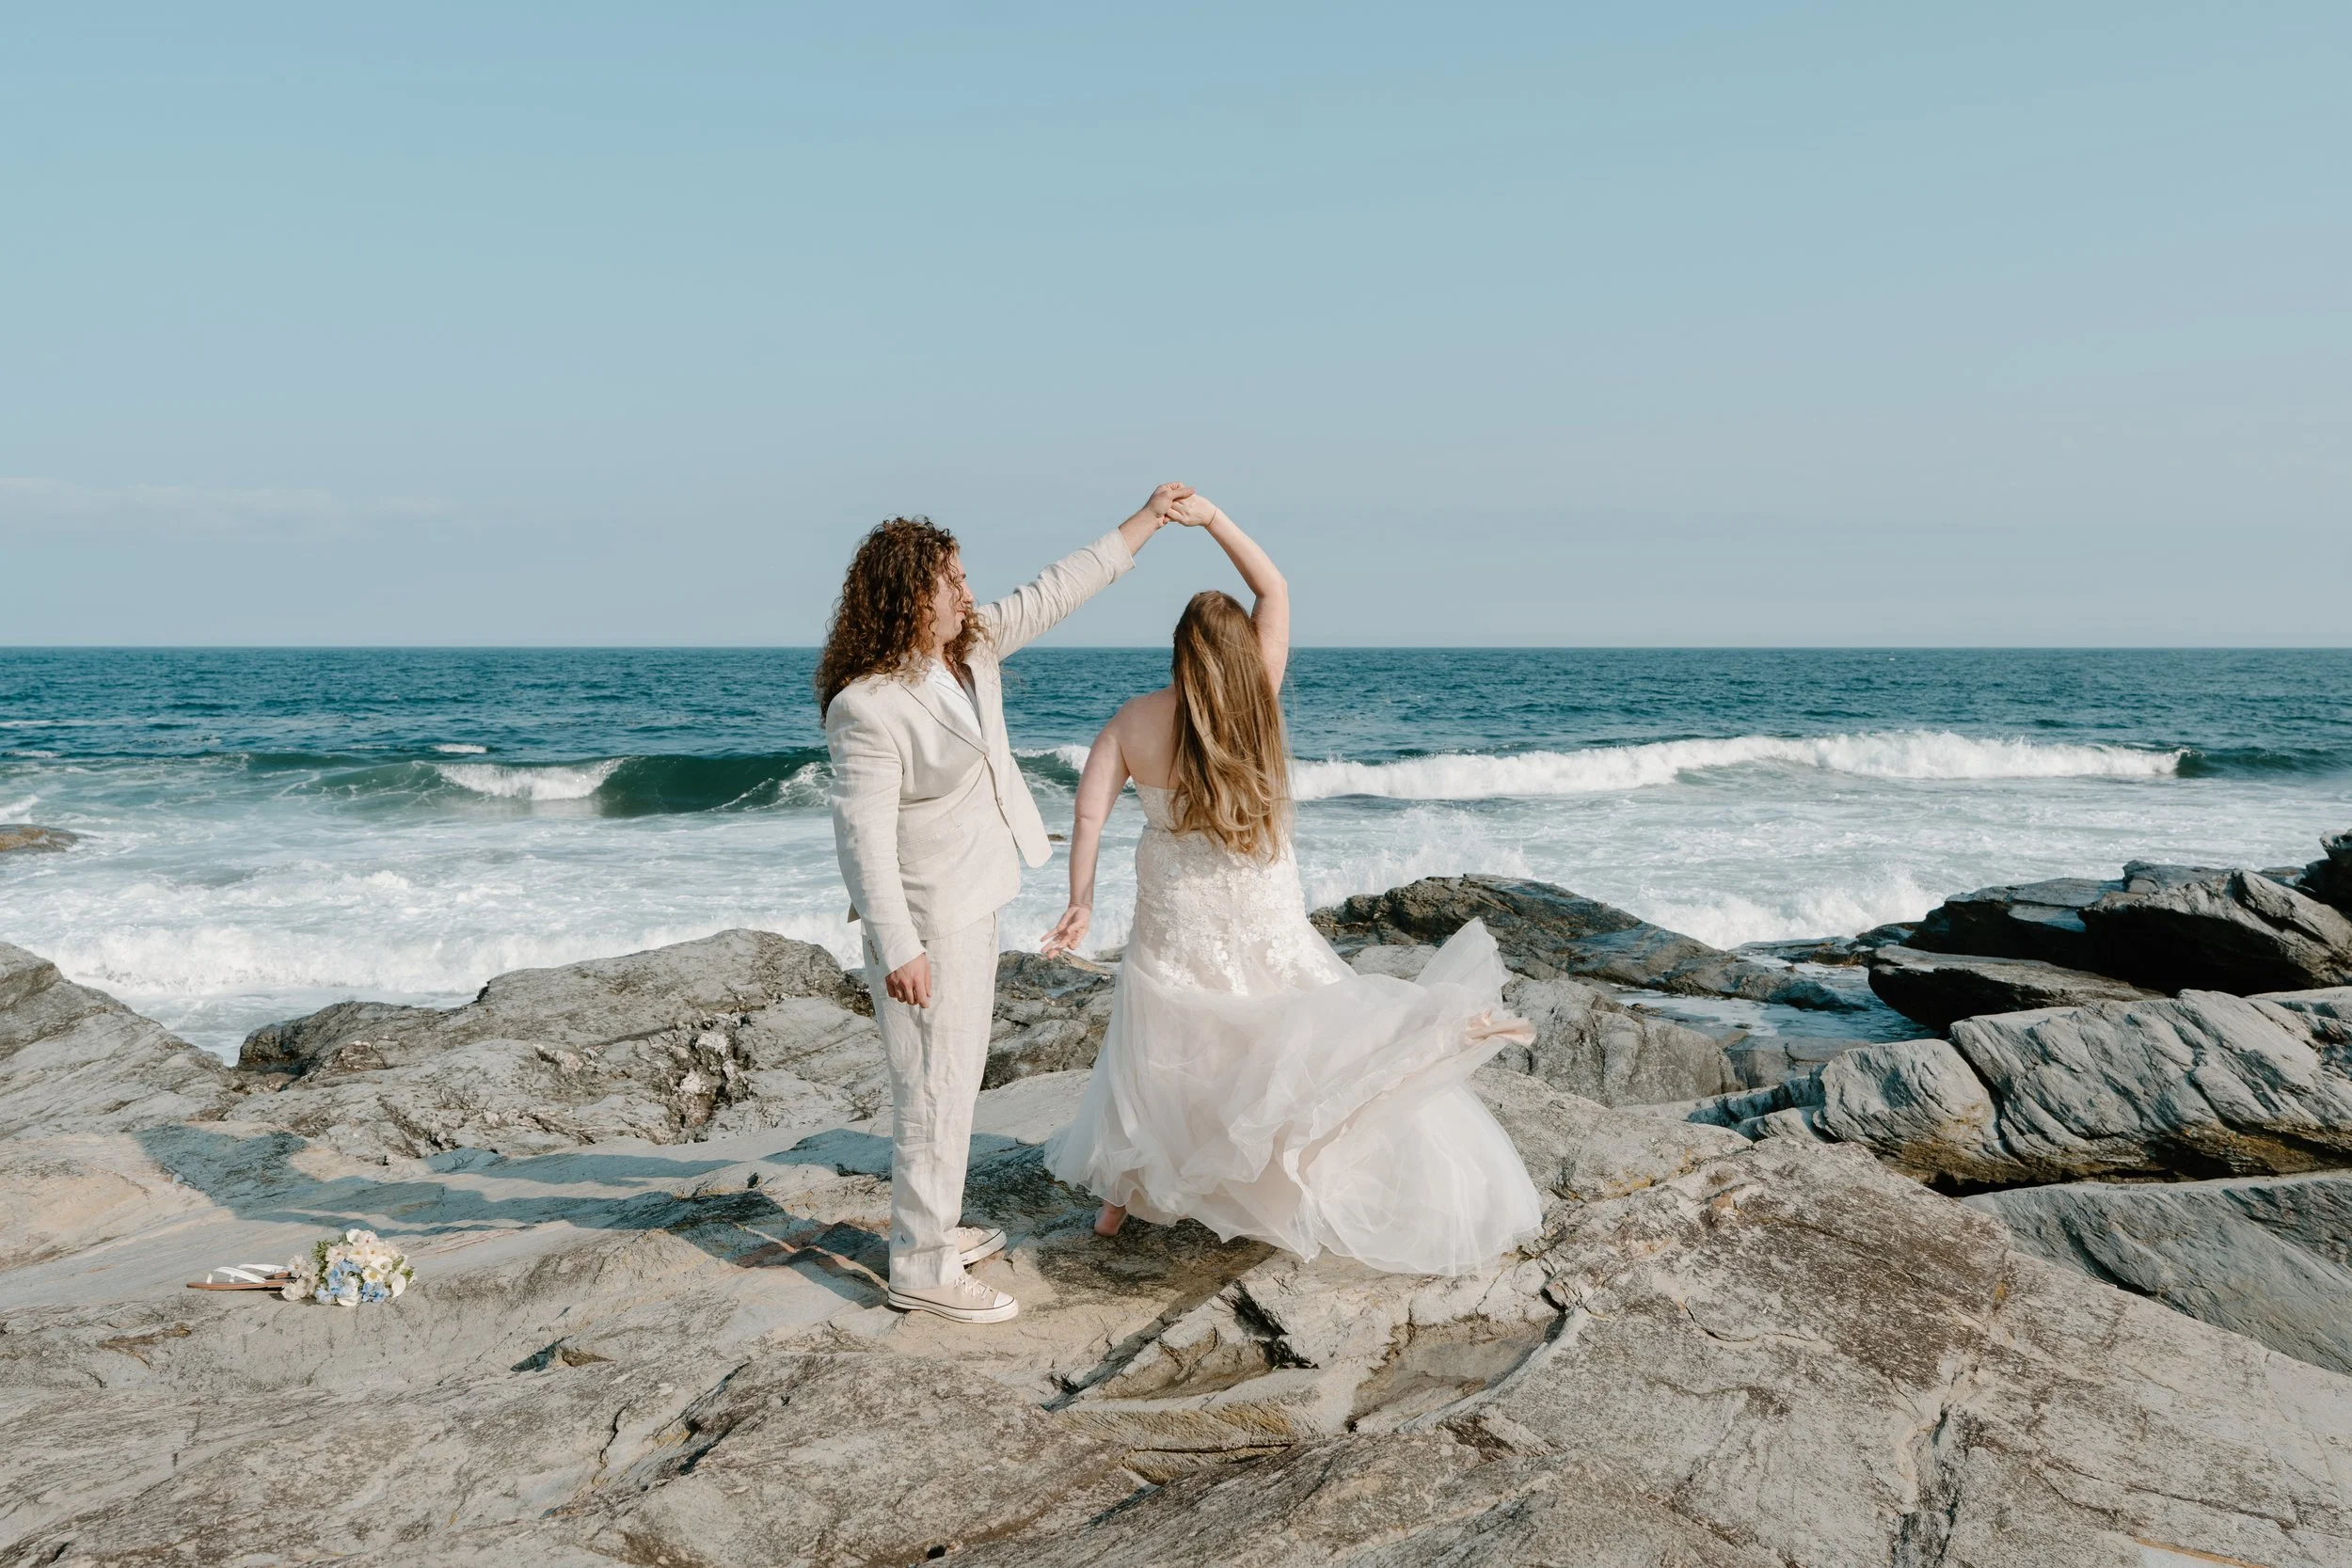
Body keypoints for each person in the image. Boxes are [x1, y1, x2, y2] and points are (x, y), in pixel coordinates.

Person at [1040, 496, 1544, 1275]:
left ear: (1178, 653)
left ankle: (1121, 1199)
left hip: (1176, 912)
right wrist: (1212, 521)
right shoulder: (1257, 704)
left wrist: (1079, 901)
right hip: (1257, 903)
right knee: (1293, 1018)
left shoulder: (1134, 719)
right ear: (1239, 652)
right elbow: (1274, 588)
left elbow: (1089, 811)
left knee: (1161, 1041)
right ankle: (1425, 1028)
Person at [819, 483, 1193, 1323]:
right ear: (910, 598)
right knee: (932, 1088)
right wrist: (899, 944)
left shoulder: (969, 654)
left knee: (956, 1078)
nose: (967, 589)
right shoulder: (867, 707)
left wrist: (1149, 519)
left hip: (977, 893)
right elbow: (863, 842)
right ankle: (920, 1266)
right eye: (949, 579)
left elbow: (1059, 587)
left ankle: (934, 1228)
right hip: (924, 920)